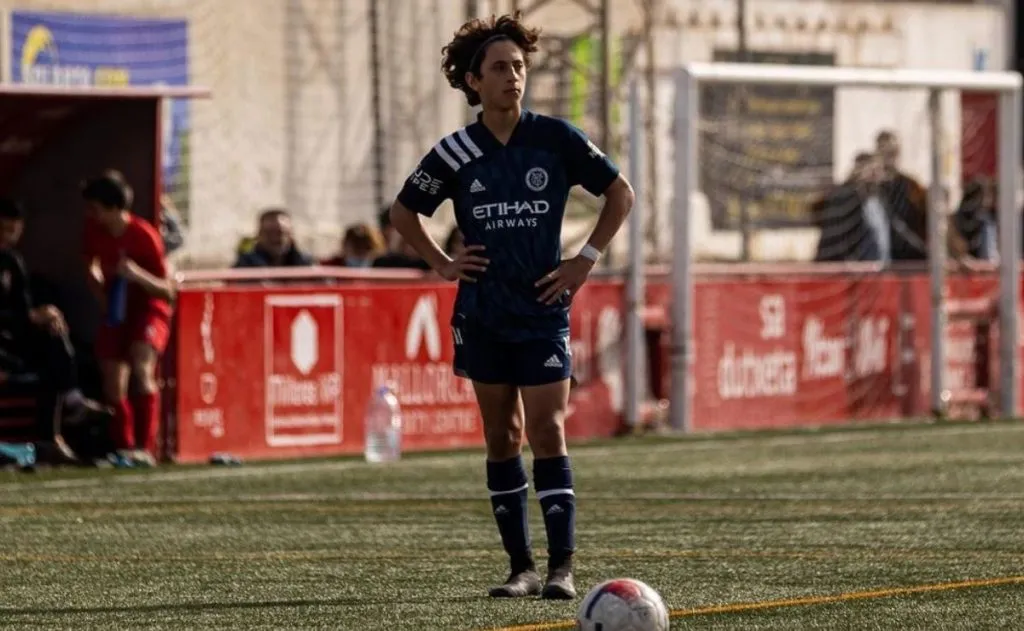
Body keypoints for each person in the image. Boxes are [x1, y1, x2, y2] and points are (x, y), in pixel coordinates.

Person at [389, 13, 634, 600]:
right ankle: (520, 567)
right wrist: (442, 264)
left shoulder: (555, 137)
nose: (513, 77)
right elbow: (403, 214)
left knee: (548, 430)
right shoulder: (455, 151)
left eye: (519, 67)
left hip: (544, 309)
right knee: (502, 435)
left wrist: (586, 259)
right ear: (474, 81)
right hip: (483, 313)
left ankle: (561, 568)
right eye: (500, 68)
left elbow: (620, 193)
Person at [0, 198, 108, 463]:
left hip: (10, 341)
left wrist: (43, 314)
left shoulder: (13, 261)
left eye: (14, 230)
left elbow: (20, 311)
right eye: (4, 230)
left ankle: (57, 429)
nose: (9, 236)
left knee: (53, 337)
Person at [82, 171, 175, 467]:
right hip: (117, 307)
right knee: (112, 380)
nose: (90, 214)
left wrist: (136, 274)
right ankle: (123, 448)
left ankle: (145, 448)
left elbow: (168, 290)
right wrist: (102, 296)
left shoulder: (144, 235)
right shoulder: (92, 230)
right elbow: (90, 266)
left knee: (142, 367)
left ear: (114, 208)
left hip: (148, 306)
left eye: (95, 208)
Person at [233, 208, 314, 268]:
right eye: (269, 233)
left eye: (281, 233)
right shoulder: (246, 264)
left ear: (291, 234)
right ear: (259, 235)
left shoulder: (304, 262)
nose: (275, 239)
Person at [322, 223, 386, 267]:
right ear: (345, 245)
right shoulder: (330, 267)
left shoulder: (383, 268)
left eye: (366, 247)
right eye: (356, 247)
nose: (361, 251)